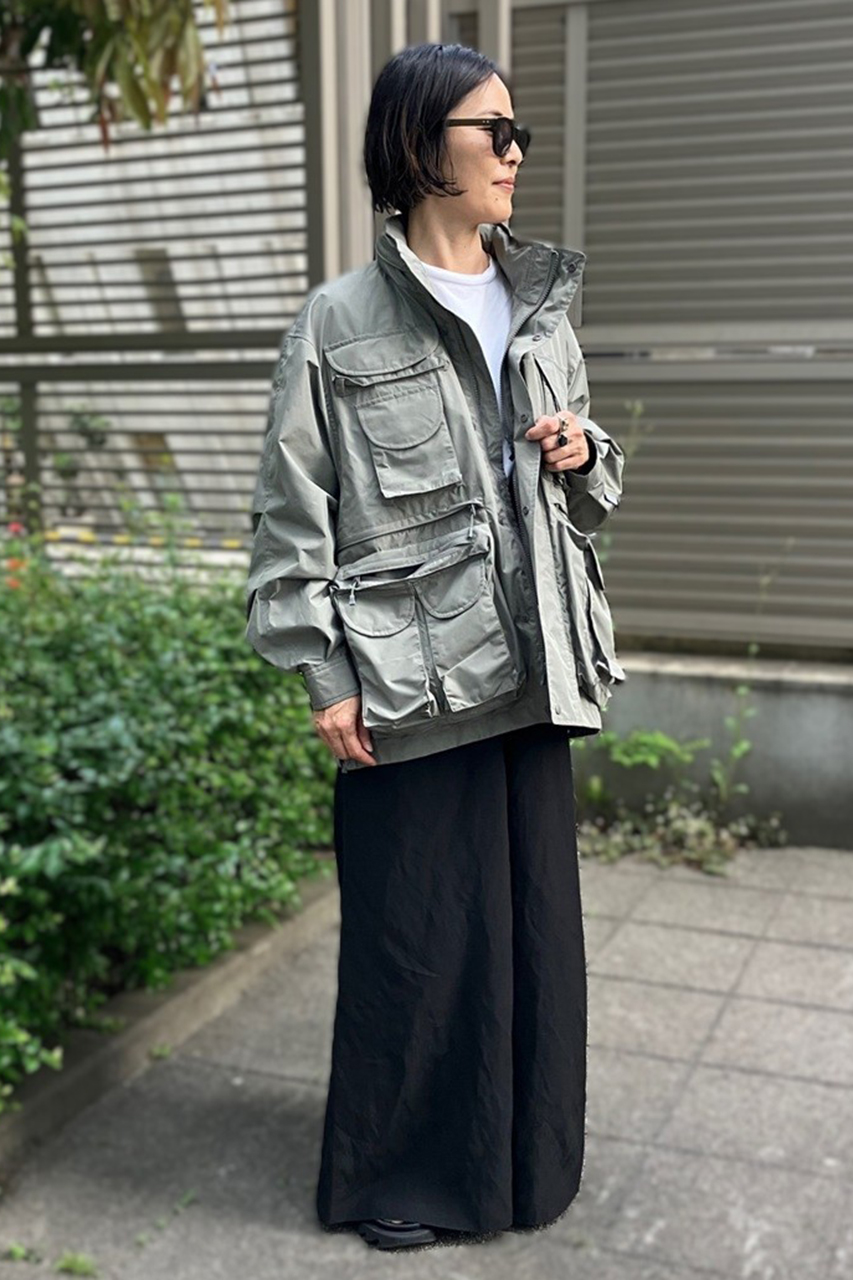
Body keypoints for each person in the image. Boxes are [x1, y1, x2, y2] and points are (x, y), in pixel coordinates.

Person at [245, 41, 626, 1252]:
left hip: (534, 666)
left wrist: (583, 450)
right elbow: (290, 513)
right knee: (416, 937)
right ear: (420, 145)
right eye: (492, 131)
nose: (515, 153)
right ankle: (401, 1172)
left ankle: (521, 1163)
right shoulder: (338, 321)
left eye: (519, 133)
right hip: (410, 680)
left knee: (531, 936)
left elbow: (591, 490)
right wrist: (323, 672)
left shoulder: (541, 300)